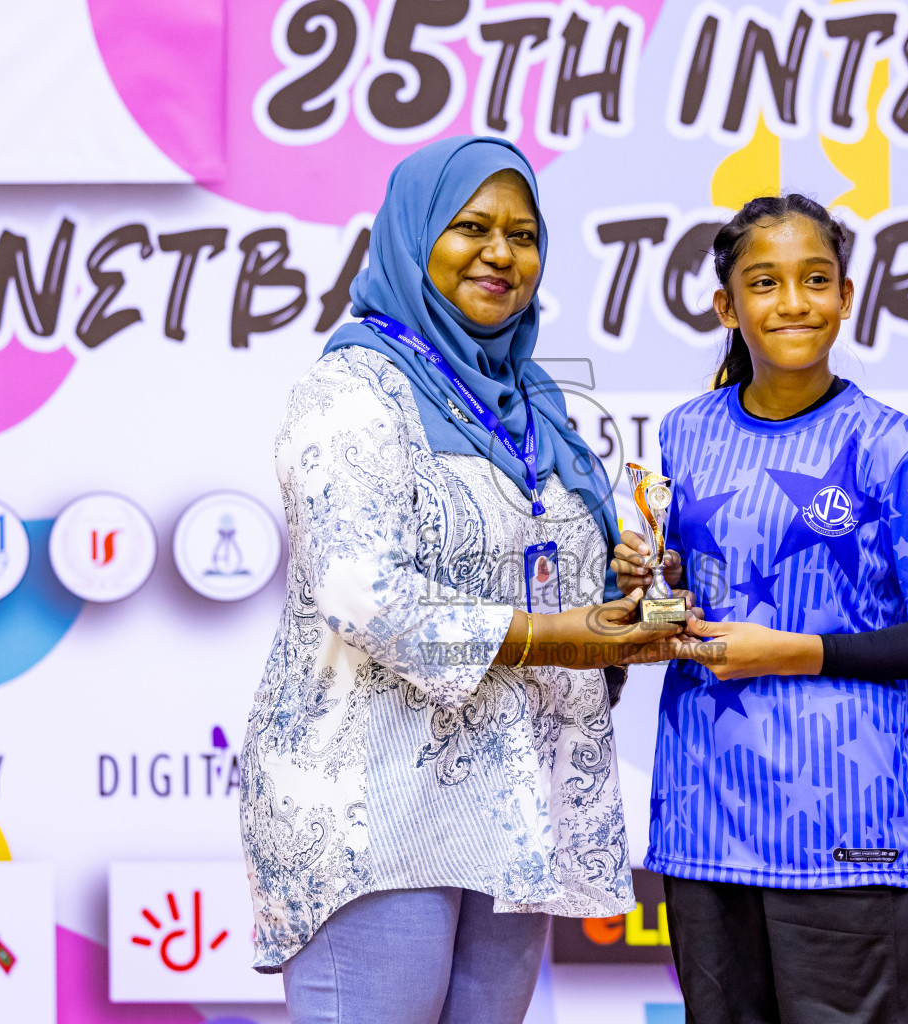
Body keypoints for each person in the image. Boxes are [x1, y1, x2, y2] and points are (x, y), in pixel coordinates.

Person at [241, 136, 687, 1024]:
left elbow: (561, 568)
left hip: (515, 809)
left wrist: (631, 580)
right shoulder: (354, 392)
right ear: (414, 239)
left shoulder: (536, 406)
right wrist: (558, 634)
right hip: (377, 810)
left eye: (523, 234)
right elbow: (362, 590)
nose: (501, 253)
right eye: (471, 227)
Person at [613, 194, 908, 1024]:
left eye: (816, 280)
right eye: (766, 283)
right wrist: (647, 576)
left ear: (847, 298)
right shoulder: (686, 432)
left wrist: (796, 651)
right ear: (727, 307)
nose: (793, 302)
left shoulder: (891, 444)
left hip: (843, 831)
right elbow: (682, 589)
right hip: (705, 823)